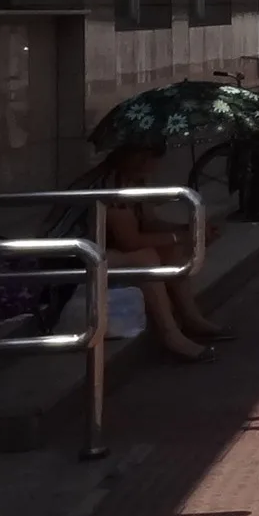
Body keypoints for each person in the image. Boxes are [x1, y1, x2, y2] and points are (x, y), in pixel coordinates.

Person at [95, 136, 227, 362]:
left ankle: (191, 317)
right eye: (152, 160)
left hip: (103, 247)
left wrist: (190, 231)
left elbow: (149, 223)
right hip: (78, 255)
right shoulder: (111, 184)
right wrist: (179, 236)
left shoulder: (133, 181)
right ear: (137, 159)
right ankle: (170, 334)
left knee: (171, 250)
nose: (156, 167)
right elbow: (130, 241)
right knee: (145, 257)